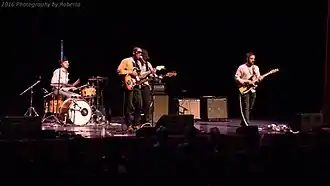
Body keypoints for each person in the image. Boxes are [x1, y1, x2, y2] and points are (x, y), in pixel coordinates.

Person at [117, 47, 143, 131]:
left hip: (136, 85)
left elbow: (139, 75)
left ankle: (136, 124)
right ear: (134, 52)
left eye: (141, 52)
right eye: (139, 52)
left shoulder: (139, 63)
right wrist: (130, 72)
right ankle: (129, 124)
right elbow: (119, 71)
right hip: (128, 84)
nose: (140, 54)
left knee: (139, 104)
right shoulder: (126, 60)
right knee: (129, 105)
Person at [234, 52, 263, 126]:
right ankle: (247, 123)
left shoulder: (256, 68)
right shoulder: (242, 67)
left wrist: (259, 79)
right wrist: (246, 81)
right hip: (244, 89)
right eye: (251, 58)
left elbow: (258, 78)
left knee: (251, 106)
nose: (253, 60)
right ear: (247, 59)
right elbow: (236, 77)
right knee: (246, 106)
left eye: (254, 59)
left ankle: (244, 121)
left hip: (253, 89)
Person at [137, 49, 157, 124]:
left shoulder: (148, 64)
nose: (144, 59)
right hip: (136, 86)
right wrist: (149, 72)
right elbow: (140, 76)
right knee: (138, 104)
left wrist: (155, 75)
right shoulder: (136, 63)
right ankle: (137, 120)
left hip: (145, 85)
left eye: (145, 57)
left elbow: (152, 75)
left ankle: (146, 120)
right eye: (143, 57)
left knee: (147, 103)